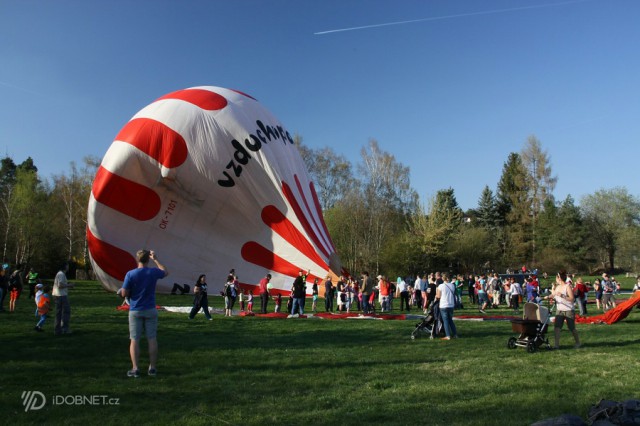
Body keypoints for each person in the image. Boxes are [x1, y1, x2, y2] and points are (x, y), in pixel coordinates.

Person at [118, 250, 168, 377]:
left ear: (137, 259)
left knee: (134, 340)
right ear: (147, 259)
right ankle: (152, 368)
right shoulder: (153, 272)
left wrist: (125, 292)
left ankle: (135, 368)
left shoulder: (131, 274)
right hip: (150, 308)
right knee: (152, 339)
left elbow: (124, 293)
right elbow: (165, 272)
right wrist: (156, 259)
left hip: (135, 309)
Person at [548, 270, 580, 349]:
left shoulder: (567, 286)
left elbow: (572, 298)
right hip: (560, 310)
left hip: (569, 310)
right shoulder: (558, 287)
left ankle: (578, 343)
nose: (555, 279)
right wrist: (549, 296)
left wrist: (562, 295)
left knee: (571, 328)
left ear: (559, 278)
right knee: (557, 328)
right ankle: (556, 345)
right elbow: (554, 294)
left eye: (556, 277)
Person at [53, 263, 74, 334]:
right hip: (61, 295)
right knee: (66, 312)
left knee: (59, 313)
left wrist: (67, 285)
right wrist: (69, 285)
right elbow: (60, 285)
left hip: (58, 295)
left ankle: (58, 330)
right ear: (65, 267)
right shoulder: (61, 274)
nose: (68, 267)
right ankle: (65, 329)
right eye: (67, 265)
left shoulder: (59, 274)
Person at [436, 274, 458, 340]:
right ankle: (455, 334)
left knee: (445, 321)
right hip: (451, 304)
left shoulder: (441, 286)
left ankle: (448, 335)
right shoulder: (452, 285)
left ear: (443, 278)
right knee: (450, 320)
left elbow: (438, 296)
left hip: (443, 305)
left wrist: (436, 294)